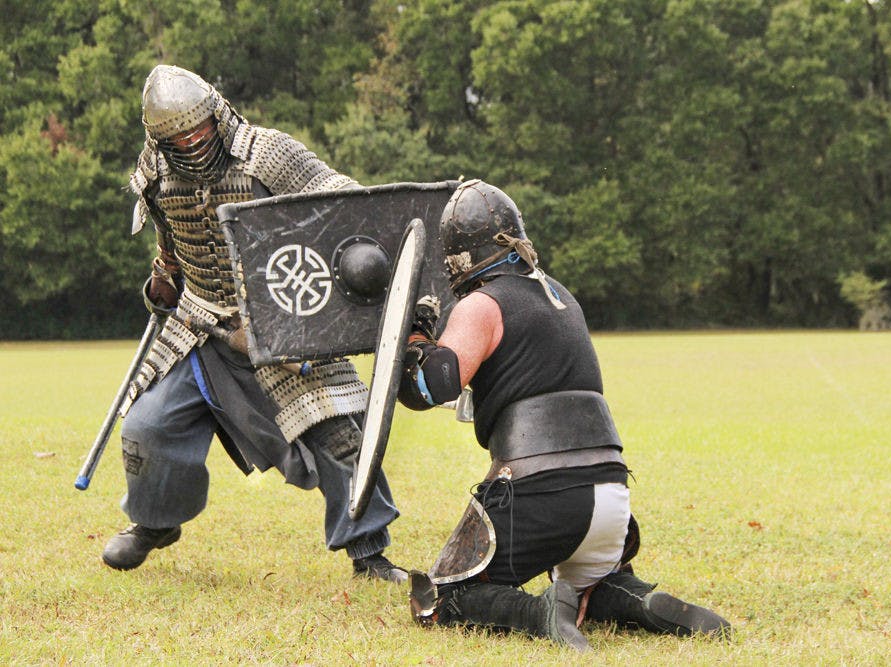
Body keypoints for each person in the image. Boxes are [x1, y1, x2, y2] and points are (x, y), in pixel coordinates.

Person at [101, 64, 406, 583]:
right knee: (148, 426)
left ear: (217, 116)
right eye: (178, 138)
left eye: (198, 130)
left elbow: (347, 205)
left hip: (281, 324)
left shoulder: (270, 155)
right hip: (198, 327)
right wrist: (162, 280)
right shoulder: (155, 173)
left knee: (340, 438)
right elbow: (170, 251)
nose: (192, 143)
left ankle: (369, 553)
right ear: (159, 140)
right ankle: (154, 522)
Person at [397, 180, 731, 650]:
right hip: (611, 499)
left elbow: (434, 383)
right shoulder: (561, 296)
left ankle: (542, 610)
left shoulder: (482, 303)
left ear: (458, 261)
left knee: (445, 596)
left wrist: (412, 338)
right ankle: (634, 600)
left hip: (544, 493)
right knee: (591, 582)